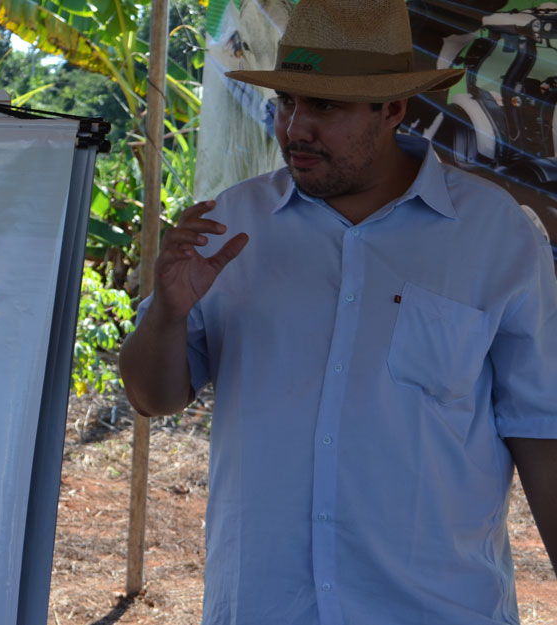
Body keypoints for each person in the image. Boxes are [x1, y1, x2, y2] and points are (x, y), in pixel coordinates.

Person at [118, 1, 557, 623]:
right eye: (288, 102)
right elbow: (152, 397)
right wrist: (165, 313)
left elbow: (543, 431)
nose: (296, 128)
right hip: (263, 606)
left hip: (434, 609)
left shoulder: (495, 238)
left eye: (325, 107)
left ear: (393, 110)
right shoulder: (230, 226)